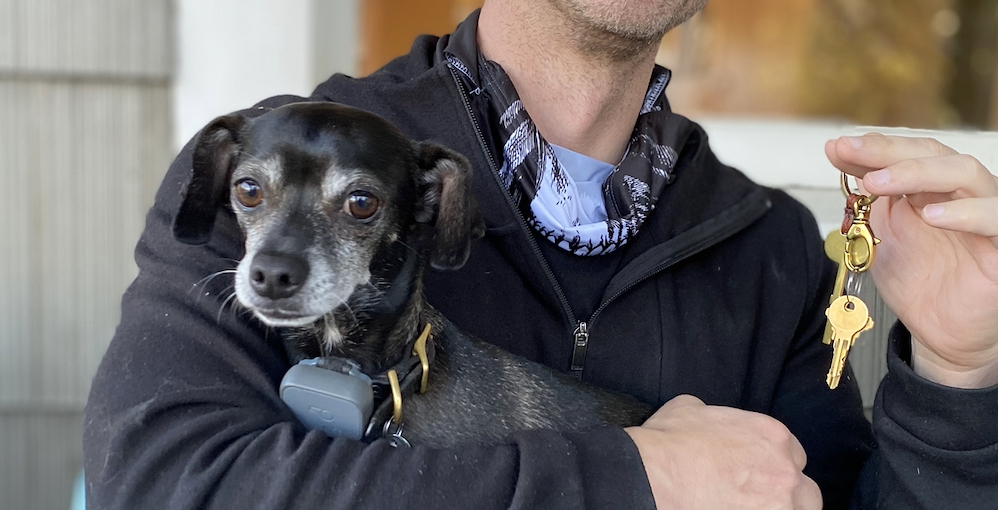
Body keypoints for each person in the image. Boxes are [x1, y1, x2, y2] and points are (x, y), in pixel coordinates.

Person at [83, 0, 998, 508]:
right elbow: (167, 485)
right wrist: (636, 478)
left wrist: (963, 374)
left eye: (361, 208)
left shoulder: (774, 250)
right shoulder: (268, 175)